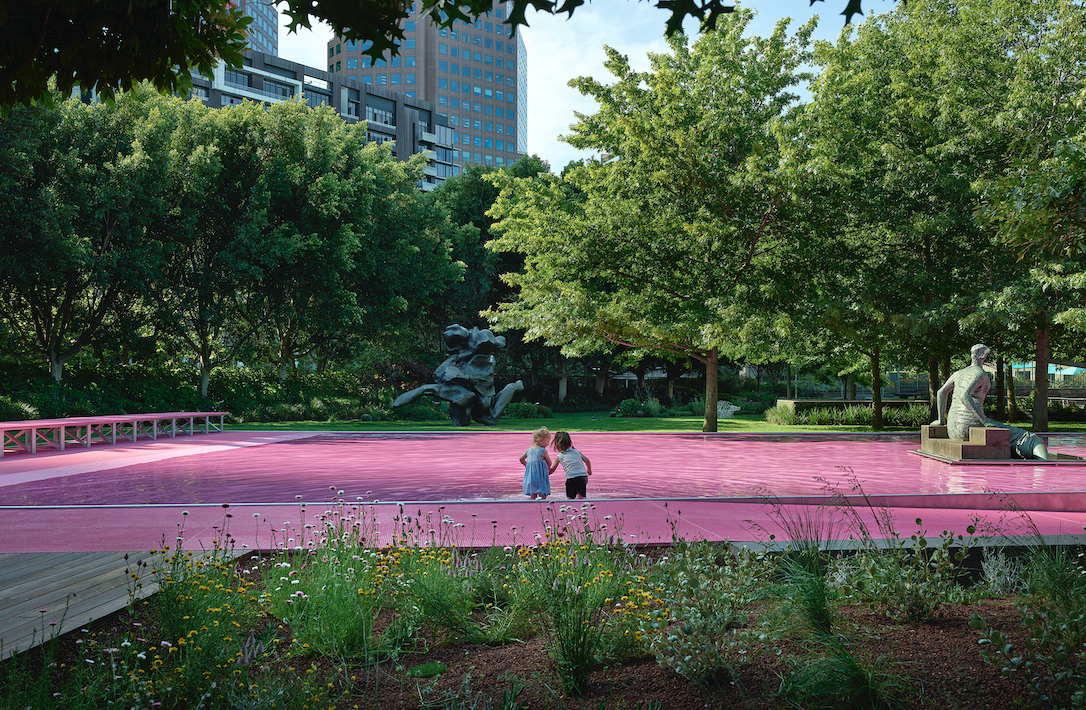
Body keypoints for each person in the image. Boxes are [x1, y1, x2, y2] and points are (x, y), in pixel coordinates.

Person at [934, 344, 1049, 460]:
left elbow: (941, 393)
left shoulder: (958, 373)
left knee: (1006, 434)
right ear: (983, 356)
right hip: (970, 427)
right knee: (1033, 439)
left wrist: (941, 421)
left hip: (952, 430)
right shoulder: (980, 374)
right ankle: (1044, 466)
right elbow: (965, 397)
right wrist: (985, 421)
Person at [549, 431, 592, 499]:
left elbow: (551, 470)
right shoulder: (576, 452)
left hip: (572, 478)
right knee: (581, 497)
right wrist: (589, 471)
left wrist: (544, 473)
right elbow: (587, 461)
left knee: (570, 498)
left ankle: (569, 507)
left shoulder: (560, 456)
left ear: (557, 445)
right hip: (583, 477)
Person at [520, 426, 553, 499]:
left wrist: (528, 465)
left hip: (531, 477)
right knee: (542, 494)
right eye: (547, 441)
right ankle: (542, 507)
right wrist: (548, 469)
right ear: (541, 440)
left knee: (533, 495)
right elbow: (549, 462)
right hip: (540, 476)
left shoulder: (529, 450)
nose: (548, 444)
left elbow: (521, 459)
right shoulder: (543, 451)